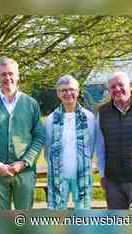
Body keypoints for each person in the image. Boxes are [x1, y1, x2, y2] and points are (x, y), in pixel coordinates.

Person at [0, 58, 45, 210]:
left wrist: (24, 162)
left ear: (18, 75)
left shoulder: (31, 104)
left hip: (24, 172)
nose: (7, 78)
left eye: (11, 73)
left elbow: (39, 136)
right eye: (3, 74)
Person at [96, 71, 132, 209]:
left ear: (130, 86)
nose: (117, 89)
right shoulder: (102, 112)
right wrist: (103, 174)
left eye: (121, 85)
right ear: (109, 90)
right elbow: (100, 147)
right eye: (112, 87)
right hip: (113, 181)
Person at [45, 75, 95, 209]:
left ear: (78, 92)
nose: (68, 93)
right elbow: (47, 148)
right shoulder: (51, 119)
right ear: (58, 93)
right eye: (63, 90)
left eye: (72, 89)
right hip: (58, 176)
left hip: (82, 174)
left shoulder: (89, 117)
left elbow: (92, 146)